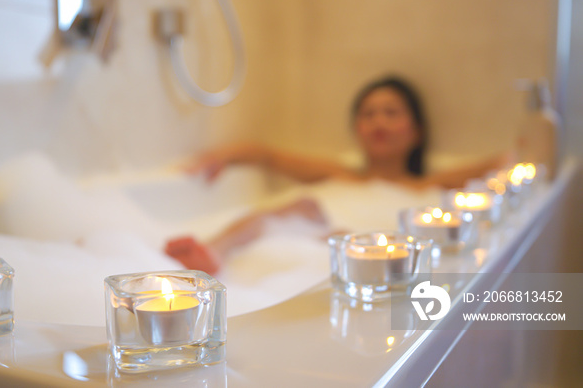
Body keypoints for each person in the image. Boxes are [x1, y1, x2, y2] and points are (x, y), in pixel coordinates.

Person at [165, 76, 510, 274]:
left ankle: (213, 256)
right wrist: (216, 158)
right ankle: (213, 252)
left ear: (416, 130)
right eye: (368, 114)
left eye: (391, 113)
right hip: (295, 241)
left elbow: (504, 163)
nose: (379, 122)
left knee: (324, 225)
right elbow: (266, 155)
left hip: (346, 254)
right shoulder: (340, 175)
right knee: (297, 208)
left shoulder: (425, 189)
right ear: (357, 128)